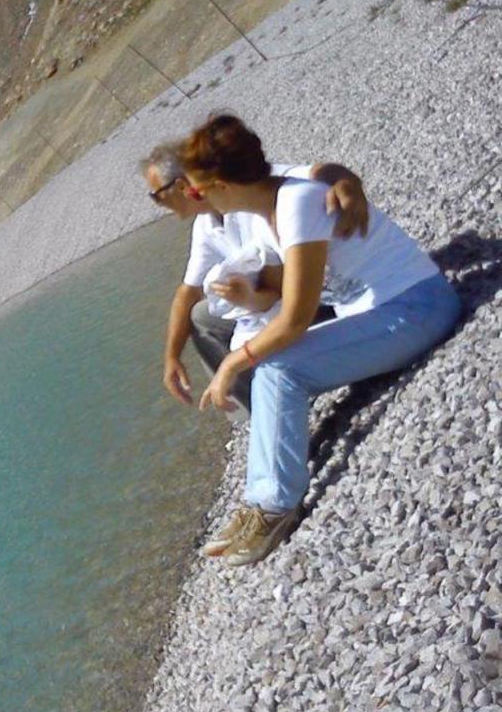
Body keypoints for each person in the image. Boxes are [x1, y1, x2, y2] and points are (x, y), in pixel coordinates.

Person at [178, 115, 461, 566]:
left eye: (195, 191)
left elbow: (296, 317)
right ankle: (260, 498)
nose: (194, 200)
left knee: (277, 366)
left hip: (414, 308)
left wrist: (232, 365)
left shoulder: (295, 204)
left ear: (222, 185)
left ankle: (272, 508)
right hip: (382, 311)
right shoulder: (270, 203)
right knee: (271, 362)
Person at [140, 141, 369, 416]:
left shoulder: (242, 191)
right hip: (275, 305)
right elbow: (187, 293)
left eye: (155, 195)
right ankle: (261, 410)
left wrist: (345, 182)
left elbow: (314, 172)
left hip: (318, 302)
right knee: (201, 315)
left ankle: (277, 404)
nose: (157, 203)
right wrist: (172, 358)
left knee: (211, 316)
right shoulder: (207, 224)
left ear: (179, 186)